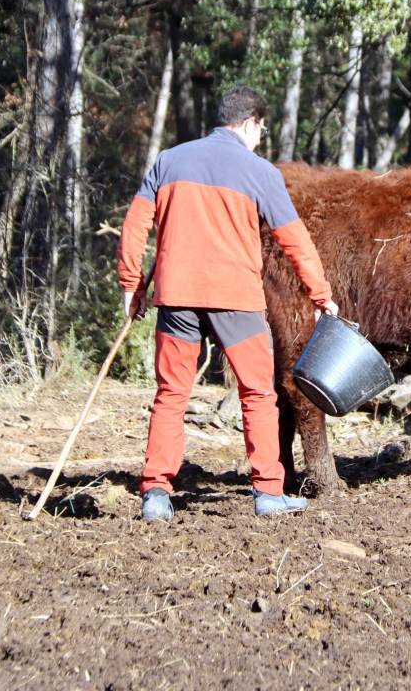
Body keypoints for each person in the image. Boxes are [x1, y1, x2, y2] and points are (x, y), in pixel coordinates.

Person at [117, 86, 338, 520]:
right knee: (258, 392)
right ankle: (269, 492)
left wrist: (132, 284)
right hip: (236, 300)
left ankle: (157, 493)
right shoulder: (260, 171)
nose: (261, 138)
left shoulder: (169, 160)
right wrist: (321, 294)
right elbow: (295, 241)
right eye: (262, 129)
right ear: (251, 123)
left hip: (176, 296)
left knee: (171, 393)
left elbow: (135, 223)